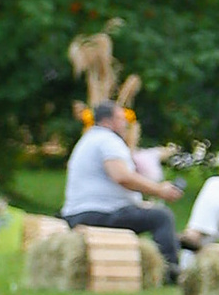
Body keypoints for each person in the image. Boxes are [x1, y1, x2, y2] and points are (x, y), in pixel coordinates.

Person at [62, 100, 187, 278]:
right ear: (107, 122)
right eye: (121, 118)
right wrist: (159, 190)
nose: (126, 123)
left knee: (148, 213)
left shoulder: (89, 140)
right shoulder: (108, 140)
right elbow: (121, 176)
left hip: (80, 212)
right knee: (161, 216)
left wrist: (136, 203)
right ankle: (170, 273)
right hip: (98, 214)